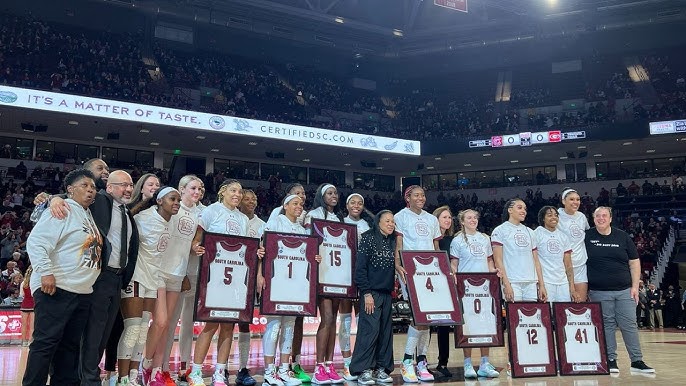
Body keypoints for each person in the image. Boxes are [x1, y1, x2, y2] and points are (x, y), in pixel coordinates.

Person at [46, 163, 139, 386]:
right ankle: (87, 379)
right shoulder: (99, 201)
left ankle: (86, 376)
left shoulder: (127, 213)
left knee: (103, 333)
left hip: (117, 279)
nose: (128, 189)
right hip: (100, 276)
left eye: (131, 185)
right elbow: (69, 194)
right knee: (93, 333)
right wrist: (51, 199)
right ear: (108, 187)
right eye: (123, 185)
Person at [22, 169, 103, 386]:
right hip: (56, 287)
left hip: (82, 291)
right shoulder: (62, 209)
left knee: (70, 348)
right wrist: (46, 272)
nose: (90, 190)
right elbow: (36, 242)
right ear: (69, 189)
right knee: (45, 344)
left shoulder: (87, 214)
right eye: (84, 185)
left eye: (93, 187)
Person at [187, 179, 263, 386]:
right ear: (223, 192)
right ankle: (195, 372)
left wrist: (257, 252)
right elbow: (198, 238)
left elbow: (245, 248)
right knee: (210, 325)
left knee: (229, 326)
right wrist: (195, 247)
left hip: (236, 277)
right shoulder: (212, 211)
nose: (237, 195)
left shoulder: (243, 219)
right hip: (214, 275)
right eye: (233, 190)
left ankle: (220, 372)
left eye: (239, 191)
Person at [120, 187, 181, 386]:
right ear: (160, 201)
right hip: (136, 276)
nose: (176, 203)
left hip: (153, 279)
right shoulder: (142, 218)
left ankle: (133, 376)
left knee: (143, 331)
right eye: (173, 199)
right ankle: (121, 379)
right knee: (132, 328)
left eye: (178, 200)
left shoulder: (172, 223)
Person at [104, 172, 161, 386]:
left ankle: (132, 377)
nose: (155, 187)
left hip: (149, 277)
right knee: (125, 327)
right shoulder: (127, 210)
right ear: (140, 187)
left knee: (141, 329)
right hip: (129, 275)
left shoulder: (161, 212)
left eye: (158, 184)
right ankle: (115, 375)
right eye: (150, 184)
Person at [585, 206, 654, 374]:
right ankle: (610, 360)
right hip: (599, 291)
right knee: (607, 325)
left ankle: (637, 361)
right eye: (597, 216)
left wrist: (635, 286)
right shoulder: (587, 237)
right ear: (593, 219)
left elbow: (634, 262)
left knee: (629, 324)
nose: (601, 218)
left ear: (610, 218)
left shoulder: (622, 236)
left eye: (604, 216)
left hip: (624, 290)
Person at [261, 194, 320, 386]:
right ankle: (269, 371)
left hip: (295, 283)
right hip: (277, 280)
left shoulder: (300, 229)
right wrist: (261, 276)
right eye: (295, 203)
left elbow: (306, 254)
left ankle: (285, 369)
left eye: (301, 204)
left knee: (289, 325)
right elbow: (263, 249)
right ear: (285, 205)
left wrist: (314, 257)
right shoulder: (275, 223)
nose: (299, 207)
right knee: (274, 325)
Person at [394, 185, 441, 383]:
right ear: (408, 198)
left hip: (431, 272)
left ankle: (421, 362)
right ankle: (406, 362)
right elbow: (399, 246)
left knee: (427, 318)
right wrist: (398, 266)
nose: (421, 198)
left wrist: (442, 272)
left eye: (422, 195)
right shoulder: (400, 216)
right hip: (411, 270)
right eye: (416, 195)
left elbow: (436, 247)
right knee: (417, 316)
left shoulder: (431, 219)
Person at [161, 176, 206, 382]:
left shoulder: (204, 213)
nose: (197, 192)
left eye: (200, 188)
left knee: (189, 323)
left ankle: (185, 367)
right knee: (169, 323)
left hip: (197, 273)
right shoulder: (174, 210)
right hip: (175, 272)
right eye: (193, 188)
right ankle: (162, 367)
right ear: (182, 189)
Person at [449, 209, 499, 379]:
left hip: (484, 288)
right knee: (468, 326)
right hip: (466, 289)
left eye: (475, 217)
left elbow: (490, 260)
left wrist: (493, 271)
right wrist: (453, 274)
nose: (473, 220)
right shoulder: (457, 241)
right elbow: (454, 263)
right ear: (462, 221)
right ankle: (468, 363)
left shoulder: (485, 238)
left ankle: (485, 363)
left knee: (485, 325)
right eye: (469, 218)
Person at [349, 210, 397, 385]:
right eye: (387, 221)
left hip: (386, 293)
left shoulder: (392, 241)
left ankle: (381, 369)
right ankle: (363, 370)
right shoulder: (368, 238)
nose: (391, 224)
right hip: (372, 293)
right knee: (369, 332)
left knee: (385, 333)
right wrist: (366, 293)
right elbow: (360, 269)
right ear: (378, 222)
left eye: (393, 221)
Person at [304, 183, 345, 384]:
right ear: (322, 196)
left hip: (338, 275)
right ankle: (318, 367)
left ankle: (329, 365)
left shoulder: (339, 219)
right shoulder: (313, 215)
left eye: (336, 193)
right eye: (329, 193)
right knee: (327, 317)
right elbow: (308, 242)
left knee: (333, 319)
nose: (334, 195)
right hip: (321, 273)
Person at [339, 193, 372, 380]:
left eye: (360, 203)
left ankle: (361, 361)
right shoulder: (340, 222)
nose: (356, 205)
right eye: (353, 202)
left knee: (362, 321)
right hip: (344, 274)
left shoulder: (367, 225)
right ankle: (346, 361)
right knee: (344, 320)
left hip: (362, 275)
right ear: (347, 204)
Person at [492, 198, 547, 303]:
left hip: (530, 282)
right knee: (514, 317)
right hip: (512, 281)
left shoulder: (530, 232)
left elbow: (536, 261)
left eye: (525, 209)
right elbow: (498, 260)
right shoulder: (500, 230)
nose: (523, 211)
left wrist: (541, 285)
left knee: (531, 316)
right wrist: (506, 284)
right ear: (510, 210)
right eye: (519, 208)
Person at [534, 206, 579, 303]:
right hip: (546, 282)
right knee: (547, 315)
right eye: (549, 215)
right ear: (543, 218)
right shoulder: (536, 234)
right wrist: (540, 284)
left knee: (563, 314)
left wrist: (572, 288)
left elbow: (568, 265)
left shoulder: (563, 237)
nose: (554, 218)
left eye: (556, 215)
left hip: (562, 283)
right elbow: (534, 260)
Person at [431, 205, 455, 378]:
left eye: (449, 217)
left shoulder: (452, 240)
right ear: (435, 219)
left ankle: (443, 362)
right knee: (423, 325)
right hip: (429, 284)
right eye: (444, 217)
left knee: (444, 326)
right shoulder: (427, 239)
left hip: (446, 285)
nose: (447, 220)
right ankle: (420, 361)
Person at [557, 188, 590, 301]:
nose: (575, 202)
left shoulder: (581, 217)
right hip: (562, 266)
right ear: (563, 201)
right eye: (571, 199)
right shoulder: (557, 216)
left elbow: (587, 233)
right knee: (564, 305)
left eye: (578, 199)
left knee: (580, 302)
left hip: (580, 264)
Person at [20, 266, 34, 347]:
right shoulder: (35, 282)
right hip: (33, 304)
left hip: (24, 305)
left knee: (24, 325)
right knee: (32, 325)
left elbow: (22, 294)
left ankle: (23, 341)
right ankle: (30, 341)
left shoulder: (23, 283)